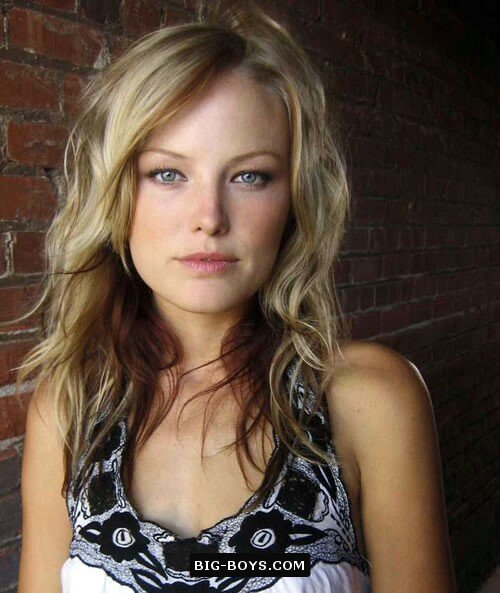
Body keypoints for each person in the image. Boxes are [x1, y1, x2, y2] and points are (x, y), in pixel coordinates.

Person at [13, 1, 457, 592]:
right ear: (117, 194)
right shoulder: (71, 405)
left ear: (294, 199)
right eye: (168, 173)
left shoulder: (368, 399)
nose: (210, 217)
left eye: (250, 176)